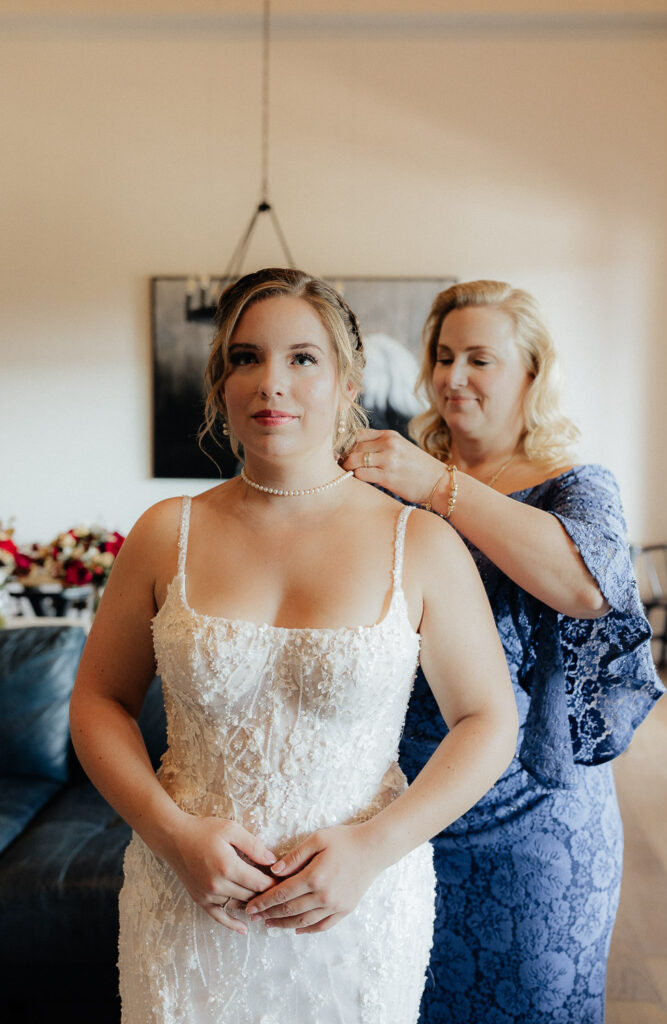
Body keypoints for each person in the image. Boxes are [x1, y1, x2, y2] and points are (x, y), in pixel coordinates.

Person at [69, 269, 518, 1024]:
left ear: (347, 385)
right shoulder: (163, 533)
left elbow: (488, 720)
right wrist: (172, 835)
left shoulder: (420, 541)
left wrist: (375, 848)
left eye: (302, 359)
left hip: (354, 912)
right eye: (245, 358)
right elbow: (98, 703)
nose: (270, 382)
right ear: (220, 382)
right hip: (187, 905)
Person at [342, 279, 663, 1024]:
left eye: (479, 359)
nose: (452, 377)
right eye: (443, 356)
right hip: (397, 814)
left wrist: (440, 485)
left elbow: (586, 585)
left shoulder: (574, 487)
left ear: (530, 372)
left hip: (532, 830)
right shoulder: (389, 487)